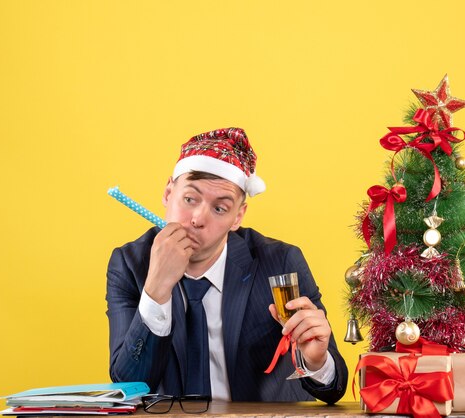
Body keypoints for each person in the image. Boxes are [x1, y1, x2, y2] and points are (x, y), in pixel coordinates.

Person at [106, 127, 348, 404]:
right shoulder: (129, 264)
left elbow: (334, 389)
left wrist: (316, 363)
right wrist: (156, 291)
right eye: (189, 199)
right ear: (168, 193)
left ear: (237, 217)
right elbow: (129, 384)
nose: (197, 219)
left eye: (219, 208)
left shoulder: (279, 261)